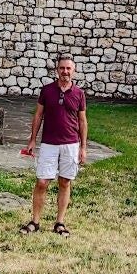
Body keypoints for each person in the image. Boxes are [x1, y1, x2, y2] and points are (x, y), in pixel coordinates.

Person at [19, 55, 88, 236]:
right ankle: (35, 221)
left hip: (71, 144)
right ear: (57, 70)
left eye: (68, 68)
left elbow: (82, 120)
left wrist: (83, 147)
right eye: (62, 68)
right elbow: (38, 115)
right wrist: (32, 140)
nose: (65, 71)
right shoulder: (47, 91)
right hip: (49, 143)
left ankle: (60, 223)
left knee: (65, 181)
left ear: (74, 71)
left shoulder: (79, 94)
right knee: (42, 182)